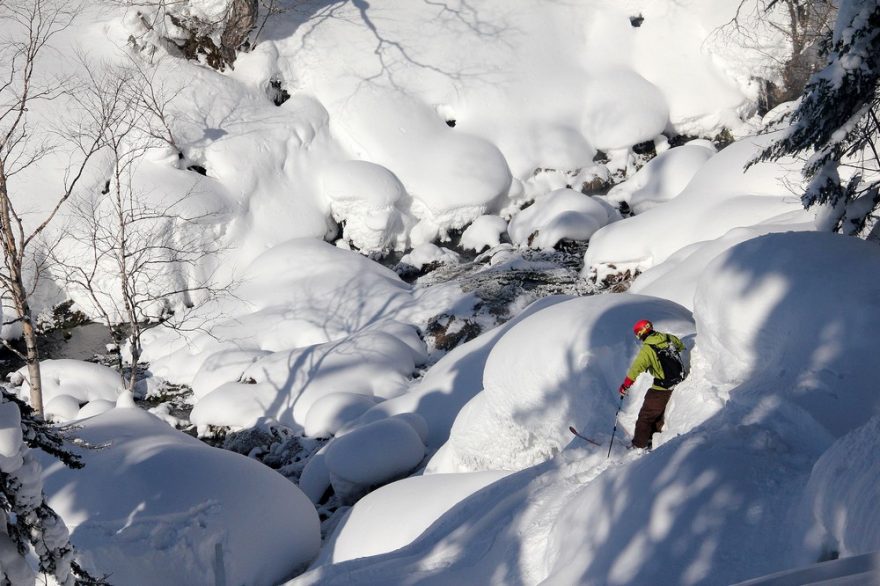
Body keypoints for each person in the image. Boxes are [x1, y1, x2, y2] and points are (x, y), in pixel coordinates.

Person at [618, 319, 687, 450]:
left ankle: (638, 445)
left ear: (640, 333)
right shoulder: (667, 338)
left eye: (637, 334)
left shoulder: (648, 349)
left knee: (645, 416)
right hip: (677, 381)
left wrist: (625, 385)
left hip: (662, 387)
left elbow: (635, 369)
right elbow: (681, 346)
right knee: (658, 413)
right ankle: (652, 438)